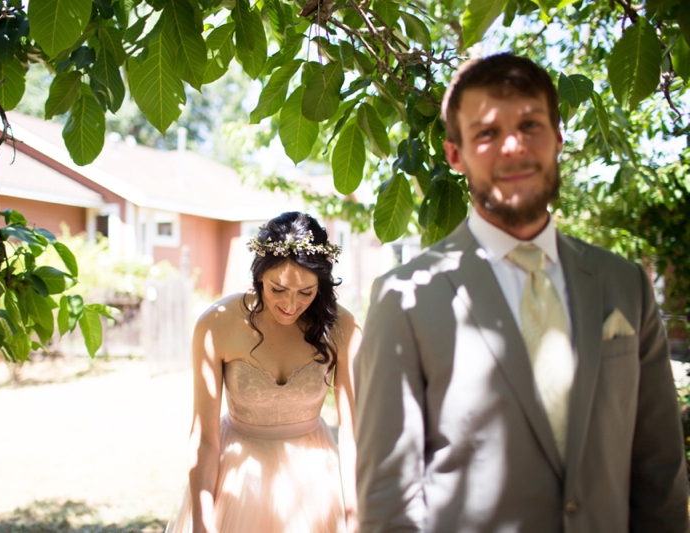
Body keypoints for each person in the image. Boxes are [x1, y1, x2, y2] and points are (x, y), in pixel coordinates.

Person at [354, 53, 688, 532]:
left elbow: (659, 472)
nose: (512, 146)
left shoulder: (625, 285)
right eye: (487, 133)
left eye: (530, 125)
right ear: (456, 154)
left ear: (557, 137)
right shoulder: (403, 299)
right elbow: (390, 501)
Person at [167, 211, 361, 533]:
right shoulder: (217, 324)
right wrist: (202, 521)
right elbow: (204, 438)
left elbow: (354, 435)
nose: (290, 304)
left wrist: (355, 515)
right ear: (259, 274)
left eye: (306, 292)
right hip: (239, 479)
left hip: (315, 483)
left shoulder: (343, 328)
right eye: (278, 289)